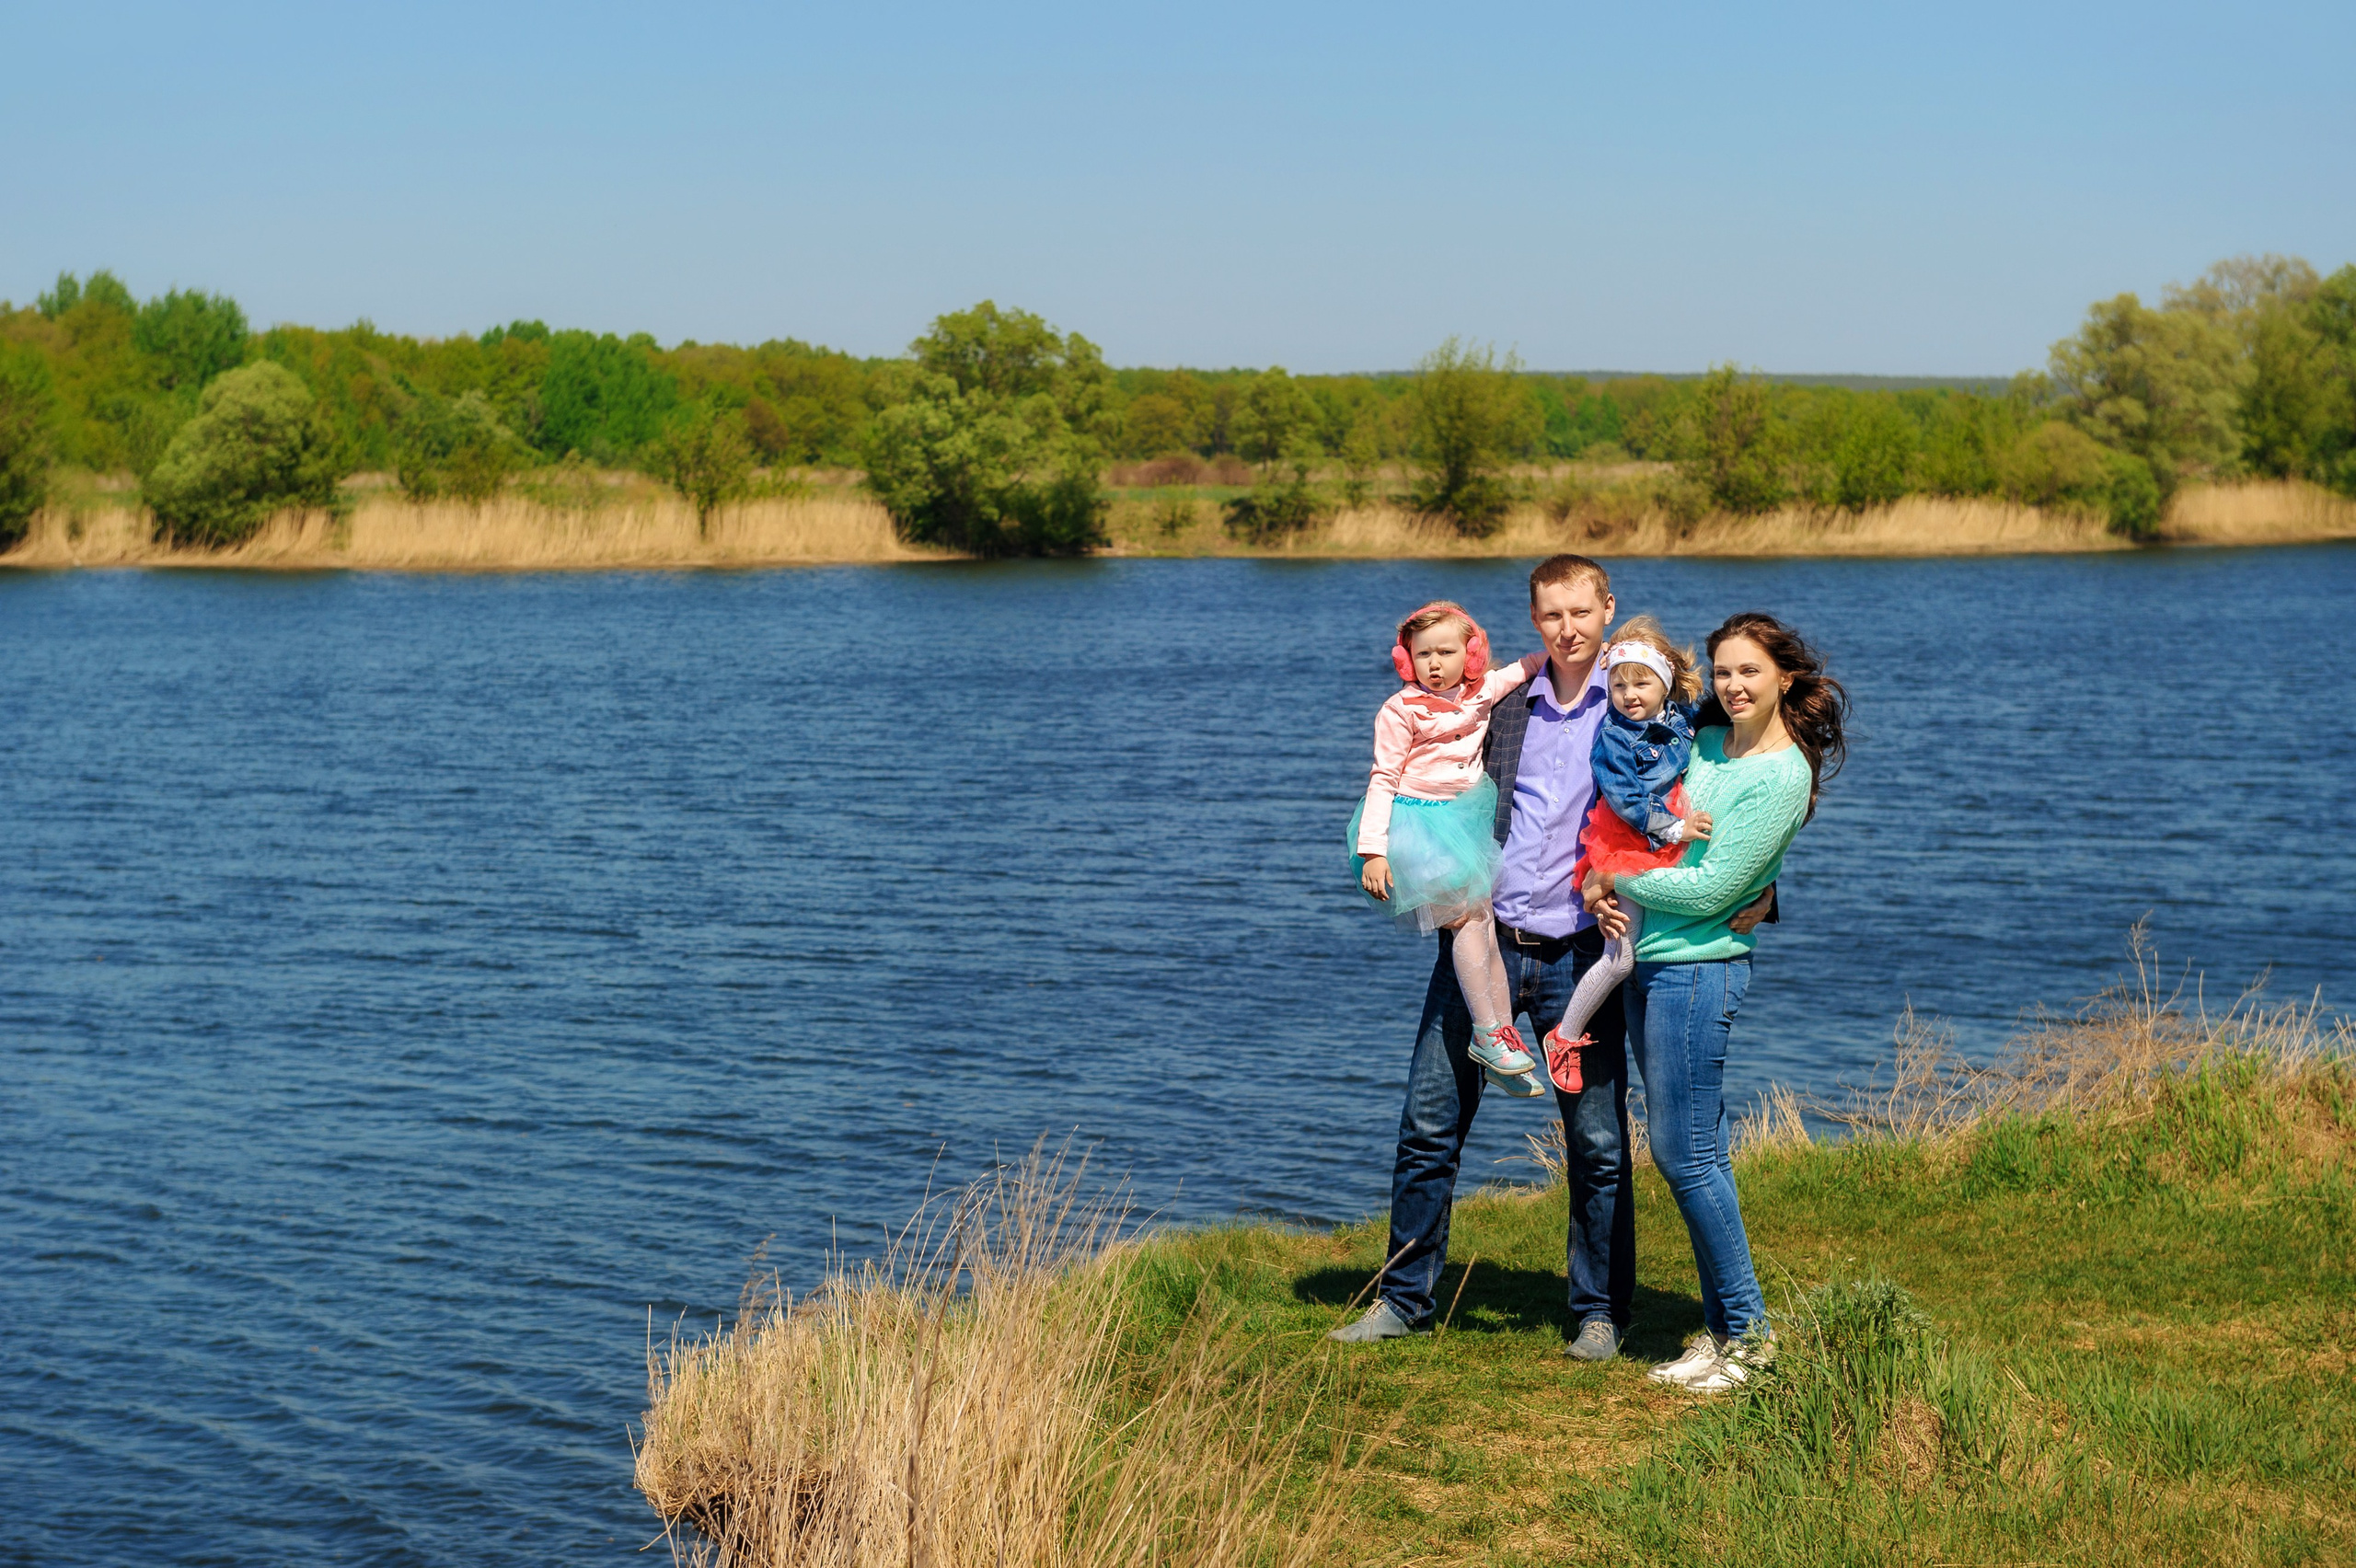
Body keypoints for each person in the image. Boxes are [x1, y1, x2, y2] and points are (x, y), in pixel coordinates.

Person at [1332, 557, 1773, 1359]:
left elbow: (1744, 776)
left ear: (1608, 609)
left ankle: (1600, 1312)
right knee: (1428, 1125)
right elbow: (1413, 774)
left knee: (1598, 1145)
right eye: (1551, 615)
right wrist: (1389, 854)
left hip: (1583, 954)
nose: (1567, 630)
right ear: (1534, 620)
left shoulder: (1644, 695)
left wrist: (1765, 887)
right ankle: (1402, 1299)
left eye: (1581, 611)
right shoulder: (1504, 702)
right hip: (1485, 946)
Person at [1583, 612, 1847, 1393]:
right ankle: (1724, 1331)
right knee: (1698, 1154)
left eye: (1750, 672)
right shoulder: (1701, 739)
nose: (1733, 686)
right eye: (1723, 671)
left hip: (1698, 973)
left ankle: (1753, 1341)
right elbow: (1655, 816)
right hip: (1650, 963)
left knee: (1684, 1156)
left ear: (1785, 678)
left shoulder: (1782, 776)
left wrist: (1614, 879)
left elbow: (1714, 889)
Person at [1349, 602, 1549, 1090]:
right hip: (1417, 827)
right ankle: (1488, 1034)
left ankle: (1503, 1040)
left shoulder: (1483, 690)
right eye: (1423, 655)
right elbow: (1383, 778)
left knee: (1484, 923)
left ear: (1471, 654)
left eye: (1446, 652)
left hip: (1462, 821)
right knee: (1466, 920)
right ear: (1407, 660)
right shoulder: (1401, 710)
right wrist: (1372, 850)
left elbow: (1528, 665)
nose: (1434, 664)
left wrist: (1601, 654)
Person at [1538, 616, 1711, 1095]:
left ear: (1665, 683)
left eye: (1641, 683)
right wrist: (1674, 827)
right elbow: (1626, 800)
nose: (1629, 695)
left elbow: (1716, 715)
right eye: (1618, 685)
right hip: (1628, 840)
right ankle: (1565, 1035)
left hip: (1657, 836)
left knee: (1637, 945)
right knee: (1620, 959)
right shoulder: (1615, 736)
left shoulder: (1680, 715)